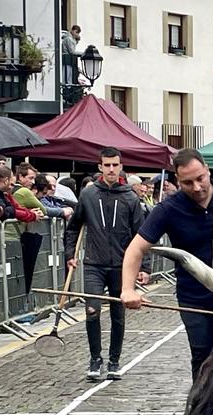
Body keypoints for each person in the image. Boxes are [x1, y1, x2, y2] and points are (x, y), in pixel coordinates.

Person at [122, 148, 213, 415]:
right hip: (193, 295)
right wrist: (127, 289)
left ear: (208, 170)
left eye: (200, 179)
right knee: (202, 357)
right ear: (177, 181)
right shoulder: (169, 209)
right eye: (187, 183)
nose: (196, 188)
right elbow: (135, 249)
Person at [65, 147, 146, 381]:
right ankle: (94, 359)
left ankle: (114, 361)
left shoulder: (131, 197)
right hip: (94, 264)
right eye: (107, 165)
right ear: (100, 167)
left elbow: (141, 236)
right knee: (92, 311)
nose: (111, 169)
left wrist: (144, 267)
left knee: (118, 315)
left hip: (122, 267)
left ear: (121, 166)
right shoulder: (88, 195)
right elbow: (73, 228)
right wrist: (70, 254)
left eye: (115, 165)